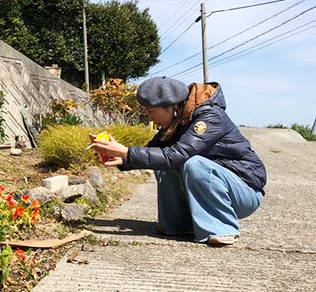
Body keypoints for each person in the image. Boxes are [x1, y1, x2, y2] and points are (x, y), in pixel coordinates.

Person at [90, 76, 266, 246]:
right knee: (162, 163)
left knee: (193, 163)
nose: (150, 118)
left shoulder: (209, 116)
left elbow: (177, 154)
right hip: (224, 187)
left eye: (151, 112)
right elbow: (151, 154)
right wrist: (121, 158)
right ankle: (178, 226)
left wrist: (127, 152)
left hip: (244, 191)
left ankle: (222, 229)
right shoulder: (178, 121)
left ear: (170, 107)